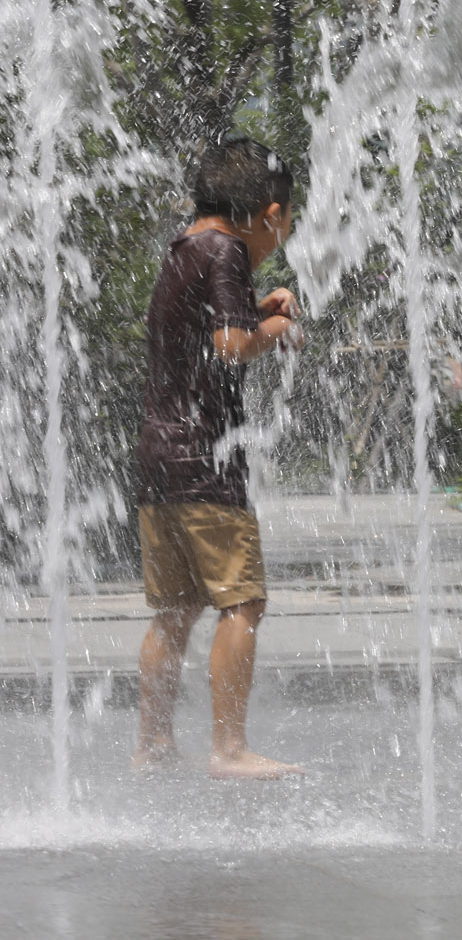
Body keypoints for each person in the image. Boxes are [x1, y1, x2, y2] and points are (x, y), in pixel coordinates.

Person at [132, 137, 303, 779]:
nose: (278, 239)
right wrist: (276, 330)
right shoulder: (229, 248)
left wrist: (257, 309)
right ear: (269, 213)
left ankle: (151, 746)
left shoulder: (186, 246)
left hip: (157, 458)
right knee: (243, 602)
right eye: (283, 225)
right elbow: (231, 347)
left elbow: (199, 333)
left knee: (175, 608)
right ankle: (229, 749)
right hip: (204, 460)